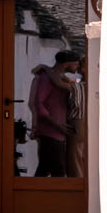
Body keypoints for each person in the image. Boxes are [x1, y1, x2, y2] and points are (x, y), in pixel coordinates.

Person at [28, 49, 81, 177]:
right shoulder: (46, 79)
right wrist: (57, 124)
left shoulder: (60, 78)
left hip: (57, 133)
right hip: (50, 132)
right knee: (57, 171)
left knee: (45, 169)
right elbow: (38, 104)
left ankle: (34, 195)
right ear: (67, 64)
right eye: (76, 63)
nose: (78, 66)